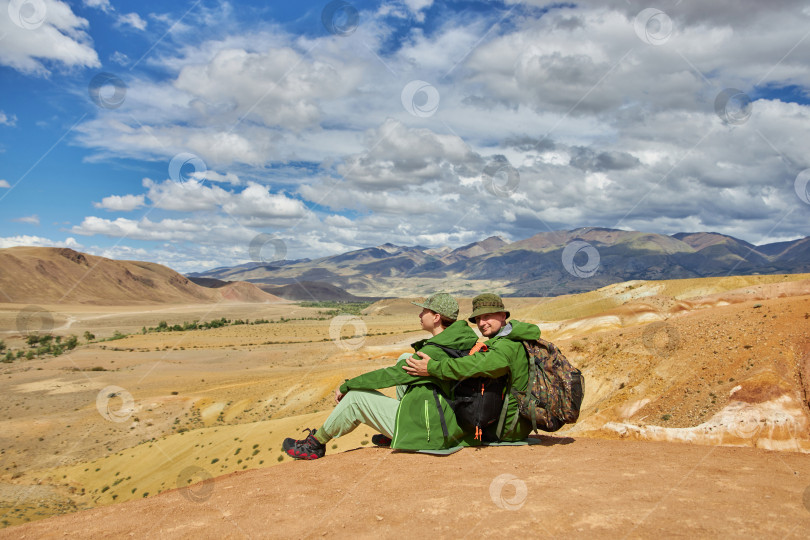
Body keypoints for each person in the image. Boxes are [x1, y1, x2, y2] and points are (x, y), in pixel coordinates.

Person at [282, 292, 480, 459]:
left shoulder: (434, 352)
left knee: (356, 398)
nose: (420, 314)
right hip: (447, 420)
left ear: (436, 317)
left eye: (424, 311)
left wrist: (347, 385)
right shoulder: (459, 340)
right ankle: (392, 430)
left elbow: (389, 376)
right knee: (405, 358)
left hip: (430, 431)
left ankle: (315, 445)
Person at [403, 293, 540, 442]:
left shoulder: (507, 345)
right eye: (478, 319)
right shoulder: (508, 339)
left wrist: (432, 367)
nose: (481, 323)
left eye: (487, 316)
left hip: (504, 429)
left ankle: (410, 431)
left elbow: (472, 366)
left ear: (503, 316)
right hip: (511, 423)